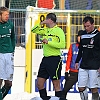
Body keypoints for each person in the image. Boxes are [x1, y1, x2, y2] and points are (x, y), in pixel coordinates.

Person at [31, 13, 66, 100]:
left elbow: (62, 44)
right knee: (39, 83)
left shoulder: (59, 31)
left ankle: (59, 98)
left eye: (46, 20)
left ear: (50, 20)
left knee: (56, 83)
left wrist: (48, 42)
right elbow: (33, 30)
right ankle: (44, 98)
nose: (45, 21)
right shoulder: (46, 30)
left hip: (55, 59)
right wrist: (40, 24)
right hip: (45, 59)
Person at [75, 16, 100, 100]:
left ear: (93, 24)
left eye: (88, 26)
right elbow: (81, 49)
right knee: (81, 87)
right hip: (83, 65)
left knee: (93, 88)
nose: (86, 28)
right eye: (85, 26)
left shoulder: (98, 35)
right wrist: (77, 61)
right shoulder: (83, 34)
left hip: (94, 65)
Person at [61, 30, 83, 99]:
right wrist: (67, 70)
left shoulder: (87, 47)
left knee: (86, 89)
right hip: (73, 71)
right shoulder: (73, 46)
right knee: (65, 90)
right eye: (79, 37)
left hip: (84, 71)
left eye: (82, 37)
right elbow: (69, 59)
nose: (80, 38)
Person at [0, 6, 15, 100]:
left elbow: (13, 37)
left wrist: (12, 50)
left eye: (8, 14)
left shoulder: (10, 24)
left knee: (9, 83)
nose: (7, 16)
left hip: (9, 55)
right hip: (0, 54)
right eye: (5, 15)